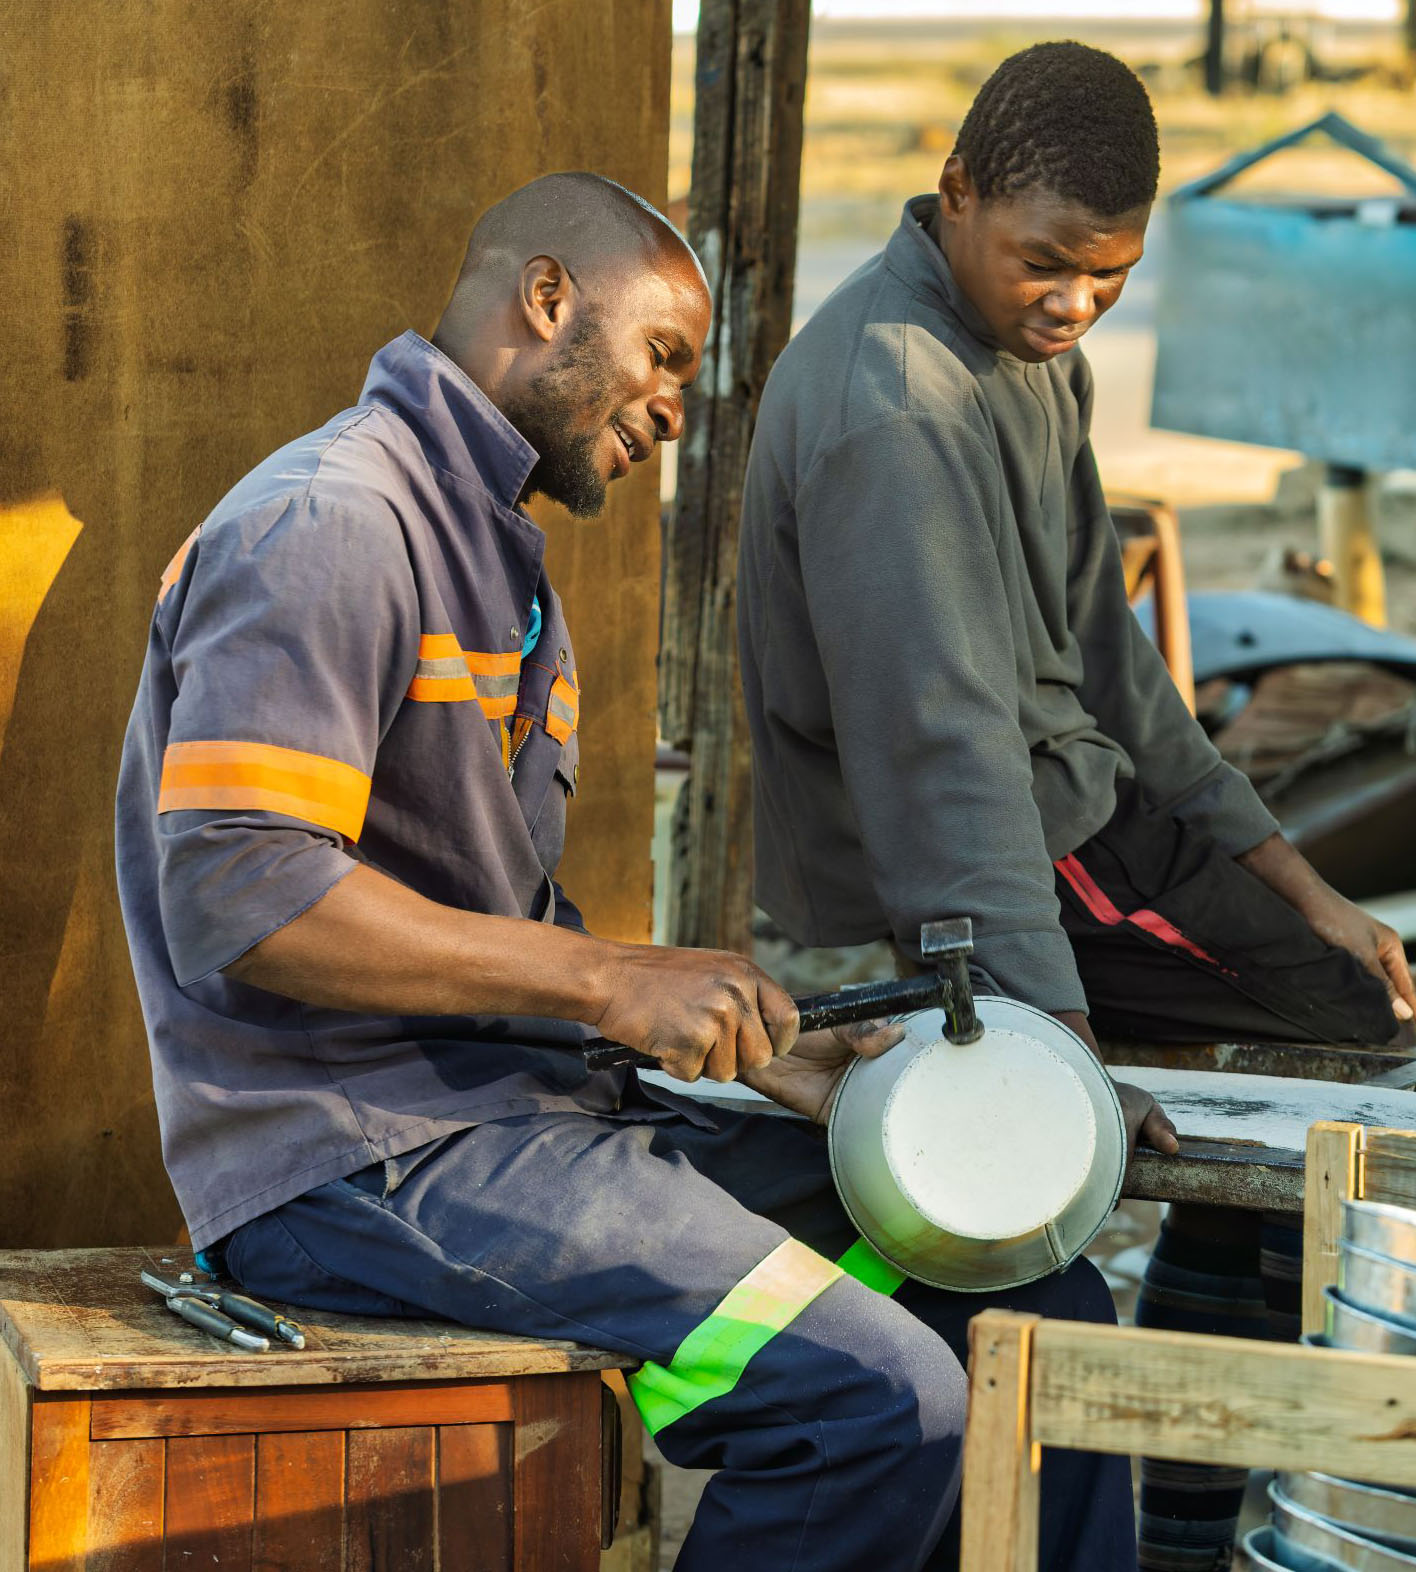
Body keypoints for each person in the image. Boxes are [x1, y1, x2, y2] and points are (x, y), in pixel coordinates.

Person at [116, 171, 1135, 1572]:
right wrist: (608, 981)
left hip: (531, 1124)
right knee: (877, 1400)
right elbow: (241, 892)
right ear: (546, 302)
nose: (675, 406)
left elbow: (490, 932)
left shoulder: (503, 571)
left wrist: (742, 1049)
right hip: (363, 1163)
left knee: (1035, 1296)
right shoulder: (333, 521)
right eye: (664, 357)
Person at [736, 41, 1416, 1572]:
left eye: (1110, 277)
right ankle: (1171, 1531)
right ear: (954, 192)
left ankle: (1191, 1512)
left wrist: (1305, 885)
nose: (1073, 303)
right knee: (1186, 1147)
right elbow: (943, 769)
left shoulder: (1043, 360)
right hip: (959, 881)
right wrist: (1054, 1057)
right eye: (1046, 264)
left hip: (1074, 816)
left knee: (1353, 1004)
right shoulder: (892, 405)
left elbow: (1119, 663)